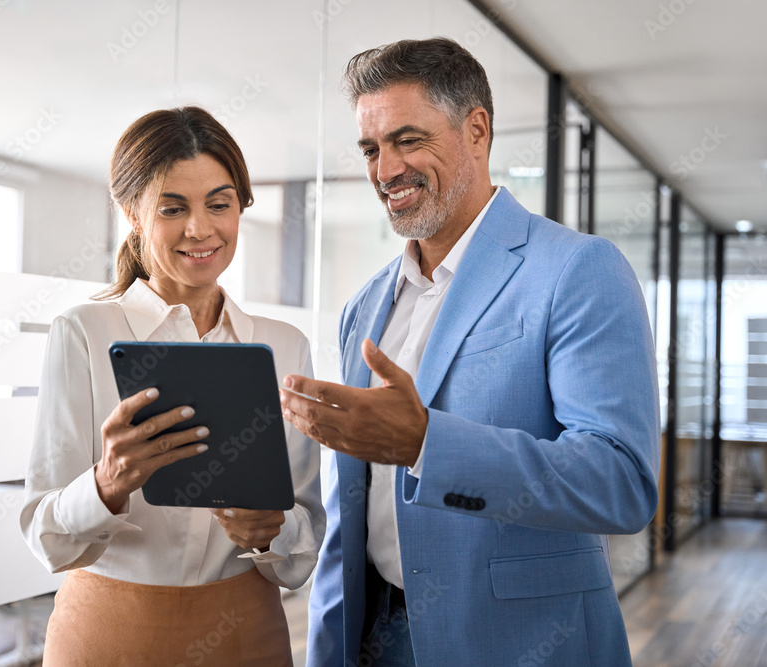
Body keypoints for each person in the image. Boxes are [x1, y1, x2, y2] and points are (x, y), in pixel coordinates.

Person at [280, 38, 660, 666]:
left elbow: (620, 482)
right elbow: (352, 518)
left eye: (408, 140)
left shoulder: (577, 269)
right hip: (374, 637)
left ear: (476, 130)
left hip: (516, 642)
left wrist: (425, 443)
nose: (385, 170)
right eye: (371, 149)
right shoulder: (364, 306)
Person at [21, 106, 324, 666]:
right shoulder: (84, 332)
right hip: (108, 637)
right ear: (131, 213)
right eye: (172, 208)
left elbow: (300, 556)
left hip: (244, 638)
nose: (200, 229)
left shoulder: (285, 346)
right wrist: (107, 483)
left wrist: (271, 530)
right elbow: (46, 539)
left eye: (219, 204)